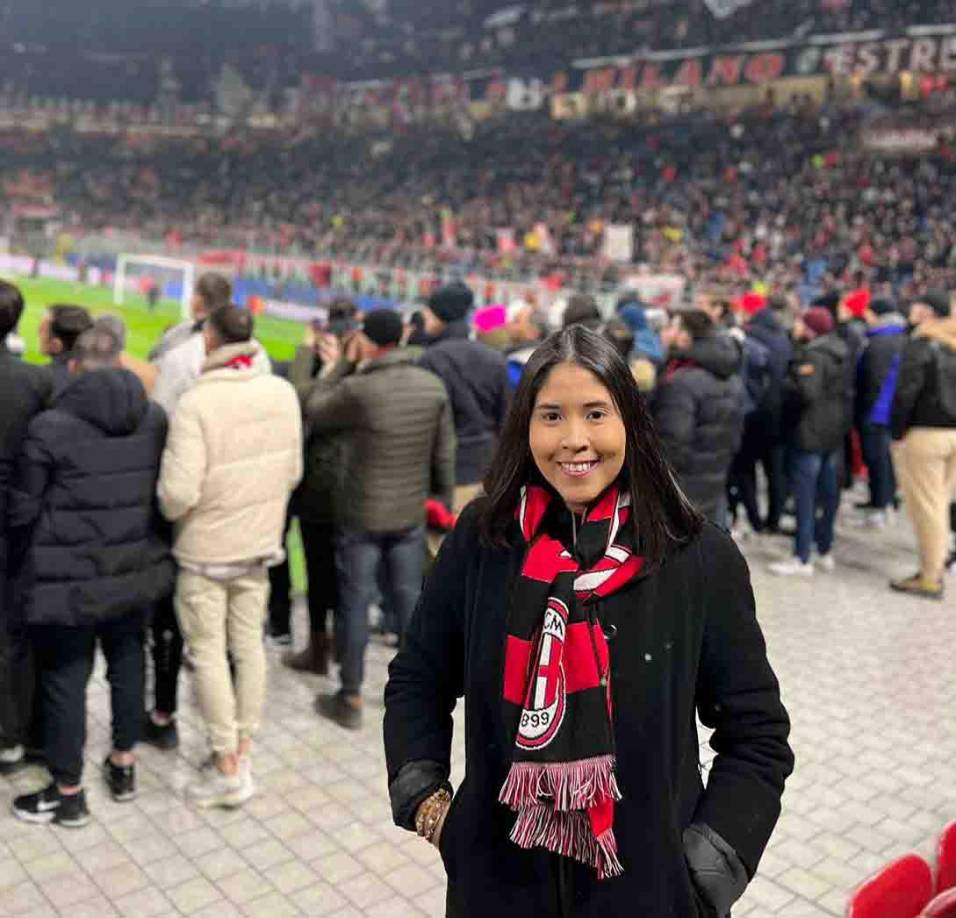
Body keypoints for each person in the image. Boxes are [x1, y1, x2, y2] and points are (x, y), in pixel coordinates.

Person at [384, 325, 793, 917]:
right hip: (499, 892)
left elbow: (757, 735)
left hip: (649, 896)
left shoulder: (696, 555)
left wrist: (707, 869)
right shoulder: (482, 539)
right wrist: (430, 803)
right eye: (551, 416)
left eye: (596, 413)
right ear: (525, 426)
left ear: (630, 421)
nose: (574, 440)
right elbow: (418, 679)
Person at [9, 324, 172, 827]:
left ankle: (68, 791)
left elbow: (21, 510)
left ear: (74, 365)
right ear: (121, 361)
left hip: (69, 578)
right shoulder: (153, 417)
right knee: (127, 662)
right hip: (130, 569)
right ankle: (124, 765)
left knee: (65, 678)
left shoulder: (49, 427)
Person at [158, 305, 301, 806]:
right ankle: (242, 746)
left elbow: (177, 493)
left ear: (211, 340)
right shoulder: (282, 392)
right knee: (248, 646)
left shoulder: (198, 403)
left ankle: (226, 766)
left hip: (206, 550)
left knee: (209, 654)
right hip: (258, 545)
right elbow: (292, 472)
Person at [304, 309, 455, 729]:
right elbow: (444, 454)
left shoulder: (359, 388)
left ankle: (350, 696)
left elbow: (314, 406)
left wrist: (343, 364)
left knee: (355, 600)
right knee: (409, 601)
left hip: (362, 514)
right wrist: (441, 502)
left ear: (368, 341)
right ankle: (417, 695)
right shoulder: (432, 387)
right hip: (409, 513)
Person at [0, 281, 52, 774]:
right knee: (11, 634)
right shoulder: (38, 383)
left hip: (17, 524)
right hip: (17, 525)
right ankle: (10, 738)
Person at [769, 308, 848, 577]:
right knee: (827, 494)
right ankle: (824, 549)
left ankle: (802, 556)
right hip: (833, 433)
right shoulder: (840, 350)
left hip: (810, 432)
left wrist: (788, 383)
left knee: (805, 496)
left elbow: (807, 393)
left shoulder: (812, 355)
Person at [889, 289, 956, 600]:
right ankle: (936, 567)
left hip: (925, 433)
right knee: (939, 503)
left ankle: (931, 576)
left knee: (926, 508)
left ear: (928, 312)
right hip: (953, 434)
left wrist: (897, 431)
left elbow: (906, 393)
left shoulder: (922, 343)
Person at [420, 282, 508, 511]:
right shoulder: (494, 358)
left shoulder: (430, 359)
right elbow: (506, 417)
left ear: (442, 315)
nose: (425, 317)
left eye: (430, 312)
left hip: (445, 467)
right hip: (486, 464)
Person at [651, 310, 745, 525]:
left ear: (685, 335)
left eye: (672, 327)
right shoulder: (731, 378)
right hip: (714, 478)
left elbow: (673, 443)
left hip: (683, 487)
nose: (666, 333)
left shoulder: (681, 383)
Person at [855, 298, 908, 528]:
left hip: (876, 410)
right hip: (890, 410)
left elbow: (872, 380)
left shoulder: (880, 341)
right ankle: (883, 500)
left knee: (878, 460)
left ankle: (881, 504)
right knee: (884, 460)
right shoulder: (901, 337)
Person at [743, 297, 793, 533]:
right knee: (775, 471)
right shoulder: (784, 340)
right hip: (780, 414)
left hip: (754, 414)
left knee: (746, 469)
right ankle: (774, 519)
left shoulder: (750, 338)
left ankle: (754, 519)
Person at [38, 304, 93, 393]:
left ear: (56, 346)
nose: (38, 332)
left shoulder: (40, 379)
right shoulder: (105, 378)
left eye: (42, 330)